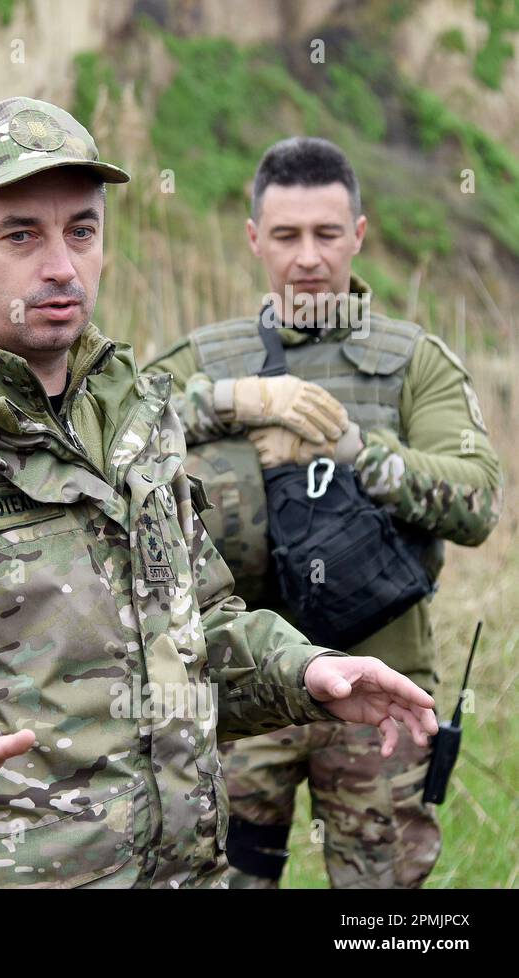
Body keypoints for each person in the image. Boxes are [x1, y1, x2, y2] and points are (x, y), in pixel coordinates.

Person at [0, 100, 438, 889]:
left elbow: (194, 631)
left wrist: (305, 672)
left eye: (81, 230)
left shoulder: (132, 416)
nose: (61, 266)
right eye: (21, 235)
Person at [144, 137, 502, 888]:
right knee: (224, 875)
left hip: (383, 687)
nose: (307, 257)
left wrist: (355, 449)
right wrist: (228, 401)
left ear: (359, 236)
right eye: (285, 236)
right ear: (253, 240)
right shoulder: (208, 356)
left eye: (327, 234)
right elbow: (117, 440)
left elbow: (476, 501)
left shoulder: (414, 361)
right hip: (244, 683)